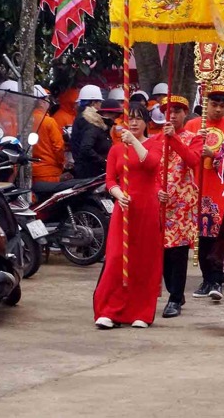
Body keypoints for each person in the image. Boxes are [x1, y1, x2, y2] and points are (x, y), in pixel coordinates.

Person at [94, 104, 164, 329]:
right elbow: (110, 180)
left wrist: (133, 141)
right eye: (130, 119)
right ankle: (109, 310)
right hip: (123, 210)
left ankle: (141, 312)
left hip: (147, 210)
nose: (133, 123)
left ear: (146, 122)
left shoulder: (155, 144)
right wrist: (117, 194)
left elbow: (151, 163)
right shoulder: (116, 149)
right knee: (116, 259)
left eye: (138, 119)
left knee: (144, 261)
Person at [157, 95, 204, 319]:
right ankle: (173, 292)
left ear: (185, 114)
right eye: (169, 111)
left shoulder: (194, 138)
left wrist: (174, 139)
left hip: (182, 205)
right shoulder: (156, 139)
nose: (173, 115)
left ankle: (175, 297)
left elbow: (192, 160)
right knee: (163, 252)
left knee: (177, 252)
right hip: (161, 201)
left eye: (177, 111)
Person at [184, 89, 224, 301]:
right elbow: (184, 156)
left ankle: (217, 279)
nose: (219, 109)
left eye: (222, 105)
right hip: (198, 188)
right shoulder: (193, 126)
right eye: (214, 104)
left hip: (222, 191)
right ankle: (207, 279)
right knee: (202, 237)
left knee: (220, 238)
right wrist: (196, 146)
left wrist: (215, 155)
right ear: (206, 105)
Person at [74, 98, 121, 179]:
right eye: (115, 115)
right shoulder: (94, 128)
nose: (115, 118)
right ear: (105, 113)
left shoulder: (103, 128)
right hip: (90, 174)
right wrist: (104, 161)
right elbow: (86, 148)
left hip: (97, 172)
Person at [31, 86, 66, 183]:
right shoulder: (48, 122)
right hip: (49, 172)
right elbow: (58, 147)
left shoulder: (23, 120)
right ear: (41, 102)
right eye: (46, 99)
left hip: (30, 171)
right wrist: (62, 163)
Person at [70, 85, 104, 162]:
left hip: (82, 164)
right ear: (93, 103)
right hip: (89, 167)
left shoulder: (80, 117)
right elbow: (86, 148)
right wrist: (102, 161)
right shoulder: (88, 119)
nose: (100, 105)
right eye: (100, 102)